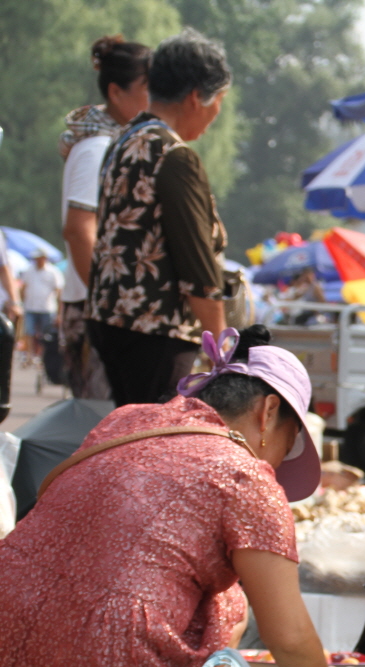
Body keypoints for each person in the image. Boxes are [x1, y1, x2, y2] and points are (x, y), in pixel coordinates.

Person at [0, 325, 361, 667]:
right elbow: (287, 636)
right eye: (290, 443)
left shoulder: (126, 421)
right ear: (269, 411)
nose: (278, 461)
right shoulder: (244, 475)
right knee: (230, 600)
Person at [88, 28, 232, 406]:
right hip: (156, 331)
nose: (217, 113)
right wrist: (223, 355)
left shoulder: (124, 140)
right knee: (155, 450)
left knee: (126, 440)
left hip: (110, 321)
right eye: (219, 100)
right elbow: (197, 269)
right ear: (196, 98)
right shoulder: (174, 156)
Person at [60, 34, 150, 400]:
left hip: (103, 306)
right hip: (96, 308)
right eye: (148, 87)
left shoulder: (117, 142)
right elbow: (78, 231)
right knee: (102, 431)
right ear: (116, 92)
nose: (156, 96)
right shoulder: (98, 148)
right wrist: (105, 306)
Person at [18, 249, 63, 364]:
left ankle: (43, 357)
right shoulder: (29, 270)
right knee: (29, 332)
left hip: (47, 308)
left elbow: (58, 291)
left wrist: (59, 311)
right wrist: (21, 302)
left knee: (45, 335)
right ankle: (29, 356)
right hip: (30, 307)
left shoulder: (53, 271)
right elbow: (23, 287)